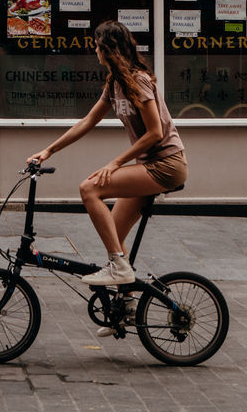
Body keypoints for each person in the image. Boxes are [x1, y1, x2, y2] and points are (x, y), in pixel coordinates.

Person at [29, 19, 187, 298]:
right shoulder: (115, 83)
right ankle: (124, 302)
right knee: (112, 230)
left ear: (107, 48)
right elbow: (88, 121)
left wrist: (115, 163)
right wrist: (49, 150)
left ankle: (118, 268)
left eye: (96, 45)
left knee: (89, 188)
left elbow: (155, 132)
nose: (94, 50)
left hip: (167, 164)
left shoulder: (137, 80)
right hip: (149, 165)